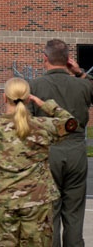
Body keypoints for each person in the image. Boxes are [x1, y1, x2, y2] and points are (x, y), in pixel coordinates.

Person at [0, 77, 78, 247]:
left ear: (5, 98)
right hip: (37, 201)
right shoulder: (41, 126)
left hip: (2, 201)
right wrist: (44, 104)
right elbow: (71, 124)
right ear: (28, 99)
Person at [28, 39, 93, 247]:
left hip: (47, 151)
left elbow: (26, 125)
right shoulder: (83, 85)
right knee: (74, 214)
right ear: (68, 61)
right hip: (75, 151)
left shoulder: (35, 85)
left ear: (45, 58)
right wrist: (81, 73)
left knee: (49, 213)